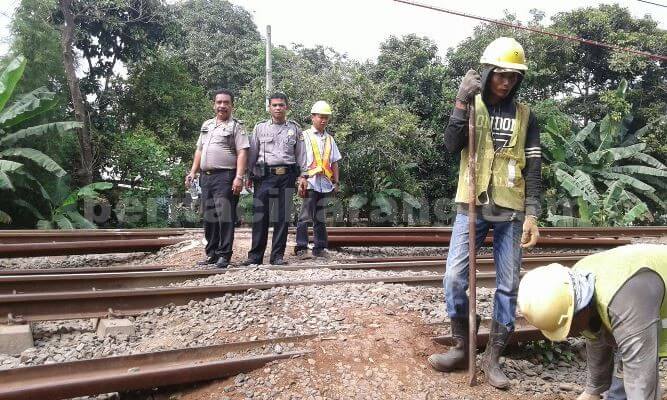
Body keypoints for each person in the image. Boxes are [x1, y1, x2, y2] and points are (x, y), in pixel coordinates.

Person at [428, 36, 542, 389]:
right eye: (500, 75)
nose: (506, 82)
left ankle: (493, 358)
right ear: (489, 72)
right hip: (471, 205)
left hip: (511, 210)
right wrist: (461, 101)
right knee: (454, 279)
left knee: (508, 287)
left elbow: (534, 169)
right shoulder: (472, 105)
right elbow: (450, 147)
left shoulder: (526, 117)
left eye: (513, 76)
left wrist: (533, 214)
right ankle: (463, 347)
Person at [517, 244, 667, 400]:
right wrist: (593, 391)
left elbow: (641, 384)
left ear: (578, 311)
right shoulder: (577, 284)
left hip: (638, 294)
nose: (569, 334)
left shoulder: (624, 304)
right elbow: (596, 334)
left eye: (568, 326)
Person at [185, 89, 249, 268]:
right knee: (209, 217)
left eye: (226, 102)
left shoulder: (237, 126)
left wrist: (239, 177)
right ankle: (212, 253)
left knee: (224, 217)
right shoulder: (207, 125)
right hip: (206, 178)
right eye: (219, 102)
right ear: (214, 104)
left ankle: (224, 255)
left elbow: (243, 152)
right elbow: (199, 150)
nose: (222, 105)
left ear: (232, 105)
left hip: (226, 176)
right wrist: (192, 172)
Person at [242, 92, 303, 266]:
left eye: (281, 105)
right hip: (264, 176)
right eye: (274, 105)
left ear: (287, 107)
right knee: (261, 216)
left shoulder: (295, 129)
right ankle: (255, 256)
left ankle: (277, 256)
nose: (278, 108)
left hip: (287, 176)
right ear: (269, 107)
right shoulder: (260, 128)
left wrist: (302, 176)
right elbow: (253, 152)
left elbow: (300, 155)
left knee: (282, 218)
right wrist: (248, 174)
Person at [294, 101, 342, 259]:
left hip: (325, 184)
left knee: (320, 217)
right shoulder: (304, 136)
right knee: (304, 216)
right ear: (313, 117)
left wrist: (336, 182)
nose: (323, 120)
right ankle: (301, 247)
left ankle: (319, 248)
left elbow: (334, 162)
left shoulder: (329, 139)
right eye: (321, 117)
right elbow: (298, 159)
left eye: (326, 118)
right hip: (309, 182)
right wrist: (301, 178)